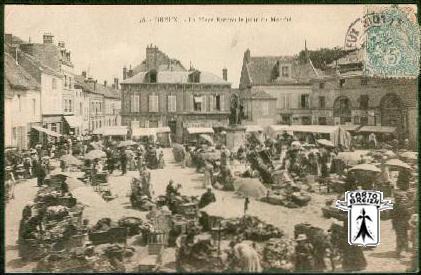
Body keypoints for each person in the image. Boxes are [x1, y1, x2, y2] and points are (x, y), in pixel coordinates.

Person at [392, 169, 413, 257]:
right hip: (404, 215)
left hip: (399, 215)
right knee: (403, 232)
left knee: (400, 232)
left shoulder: (397, 192)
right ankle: (402, 248)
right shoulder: (409, 192)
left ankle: (401, 248)